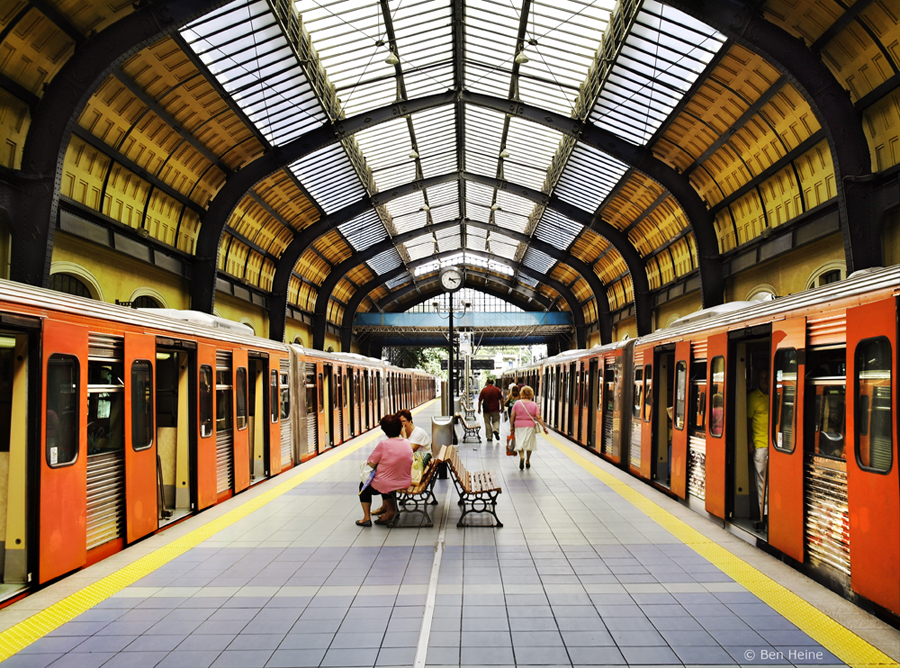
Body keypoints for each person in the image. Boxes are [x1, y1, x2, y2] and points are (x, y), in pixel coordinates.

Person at [356, 414, 413, 527]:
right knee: (384, 480)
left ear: (384, 430)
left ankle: (366, 518)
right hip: (404, 481)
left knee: (364, 486)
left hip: (388, 483)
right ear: (400, 428)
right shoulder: (407, 443)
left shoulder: (383, 444)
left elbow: (371, 464)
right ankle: (391, 511)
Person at [747, 368, 770, 527]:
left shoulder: (776, 394)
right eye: (762, 378)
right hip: (761, 445)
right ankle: (765, 514)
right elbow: (747, 421)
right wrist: (750, 442)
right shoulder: (753, 398)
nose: (764, 381)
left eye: (766, 378)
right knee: (762, 481)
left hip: (778, 447)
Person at [510, 385, 549, 470]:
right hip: (530, 426)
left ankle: (521, 456)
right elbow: (538, 417)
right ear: (531, 394)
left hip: (519, 425)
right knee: (529, 443)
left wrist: (511, 426)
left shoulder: (517, 403)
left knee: (520, 441)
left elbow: (512, 415)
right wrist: (544, 427)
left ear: (522, 393)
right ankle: (527, 460)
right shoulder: (533, 404)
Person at [477, 378, 504, 442]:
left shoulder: (484, 390)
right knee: (496, 420)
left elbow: (480, 400)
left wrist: (479, 408)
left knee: (487, 423)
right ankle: (495, 430)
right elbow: (501, 400)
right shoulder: (497, 390)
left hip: (486, 409)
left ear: (487, 383)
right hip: (495, 409)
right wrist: (502, 407)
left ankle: (489, 437)